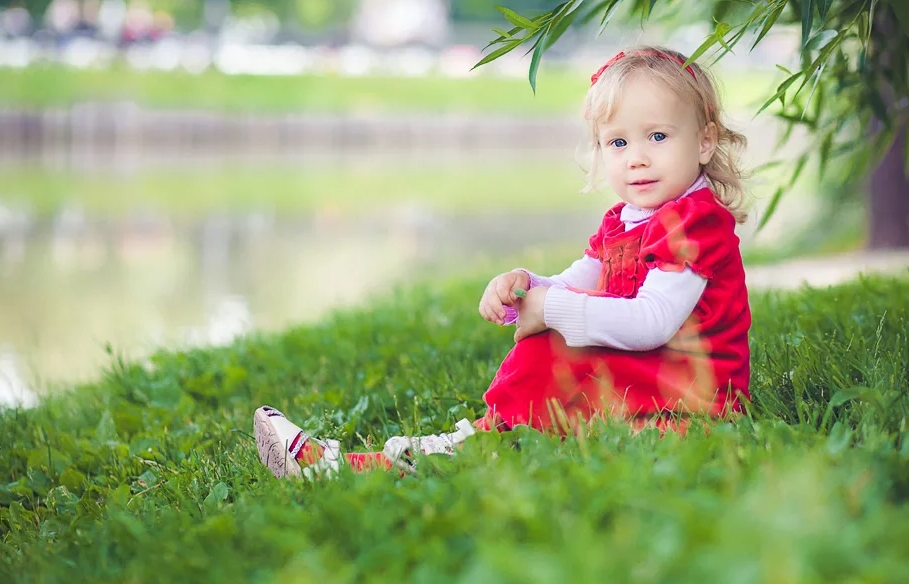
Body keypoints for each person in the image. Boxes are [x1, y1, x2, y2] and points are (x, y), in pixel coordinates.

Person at [253, 46, 752, 478]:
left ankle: (418, 456)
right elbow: (579, 281)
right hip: (649, 374)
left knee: (550, 346)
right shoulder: (626, 219)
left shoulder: (695, 220)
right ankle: (453, 446)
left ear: (705, 141)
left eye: (658, 137)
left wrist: (551, 308)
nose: (636, 158)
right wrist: (527, 285)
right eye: (618, 142)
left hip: (693, 396)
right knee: (544, 348)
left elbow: (653, 322)